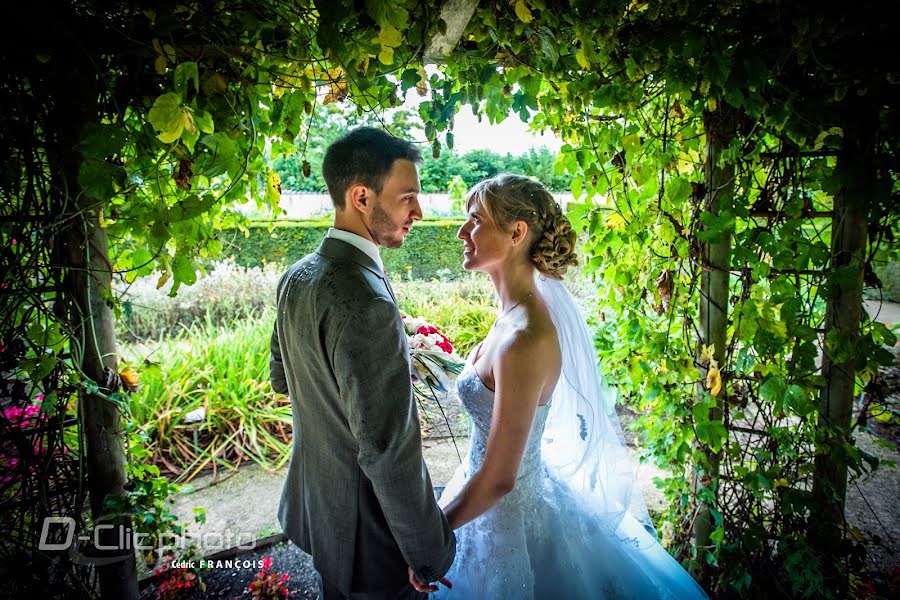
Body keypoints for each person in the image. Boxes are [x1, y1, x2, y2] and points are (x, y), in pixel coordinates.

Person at [416, 173, 709, 599]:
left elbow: (499, 477)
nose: (462, 232)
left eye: (475, 220)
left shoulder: (524, 339)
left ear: (517, 233)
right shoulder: (509, 318)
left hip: (508, 524)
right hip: (484, 507)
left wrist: (431, 536)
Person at [270, 127, 456, 600]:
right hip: (370, 541)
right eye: (408, 197)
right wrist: (428, 553)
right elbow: (386, 448)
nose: (419, 212)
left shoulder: (296, 277)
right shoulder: (367, 300)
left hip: (318, 510)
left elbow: (282, 378)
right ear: (361, 196)